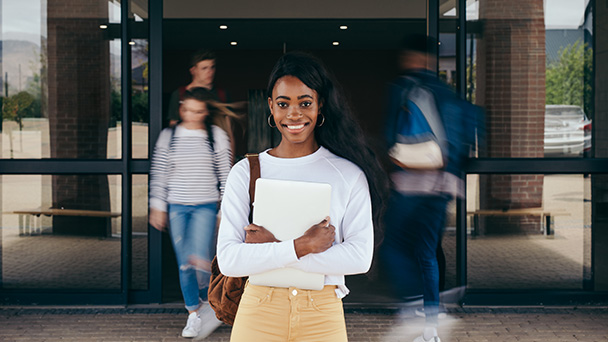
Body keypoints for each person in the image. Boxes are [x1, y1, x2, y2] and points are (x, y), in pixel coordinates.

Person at [216, 51, 389, 342]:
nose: (294, 114)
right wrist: (301, 246)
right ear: (271, 107)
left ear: (320, 106)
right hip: (259, 311)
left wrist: (274, 250)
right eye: (283, 104)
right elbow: (230, 260)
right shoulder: (245, 172)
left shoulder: (347, 174)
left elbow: (360, 258)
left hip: (321, 313)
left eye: (305, 103)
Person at [379, 34, 481, 342]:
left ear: (410, 57)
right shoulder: (447, 91)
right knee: (427, 252)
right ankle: (432, 326)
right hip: (443, 185)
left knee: (391, 246)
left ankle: (412, 306)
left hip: (410, 185)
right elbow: (471, 130)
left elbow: (389, 135)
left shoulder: (402, 87)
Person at [149, 87, 239, 339]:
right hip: (176, 205)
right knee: (184, 263)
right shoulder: (169, 136)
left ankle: (210, 303)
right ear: (181, 109)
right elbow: (159, 172)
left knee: (199, 256)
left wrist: (224, 210)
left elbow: (226, 175)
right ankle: (194, 314)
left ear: (205, 112)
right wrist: (157, 206)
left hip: (206, 205)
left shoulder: (215, 135)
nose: (192, 115)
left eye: (198, 111)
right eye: (187, 110)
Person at [166, 49, 244, 157]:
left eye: (212, 67)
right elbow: (173, 128)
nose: (210, 72)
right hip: (186, 152)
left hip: (216, 153)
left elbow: (229, 131)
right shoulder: (180, 94)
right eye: (204, 68)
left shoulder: (222, 94)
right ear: (193, 70)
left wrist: (230, 160)